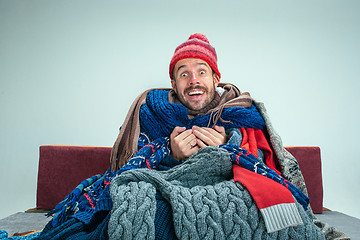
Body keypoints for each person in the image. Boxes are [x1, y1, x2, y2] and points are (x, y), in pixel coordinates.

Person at [38, 33, 329, 240]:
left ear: (215, 79)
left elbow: (264, 168)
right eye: (184, 74)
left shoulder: (241, 114)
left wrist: (228, 149)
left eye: (201, 72)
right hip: (166, 189)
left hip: (224, 189)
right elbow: (127, 171)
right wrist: (169, 152)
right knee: (141, 204)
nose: (193, 80)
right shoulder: (152, 112)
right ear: (174, 84)